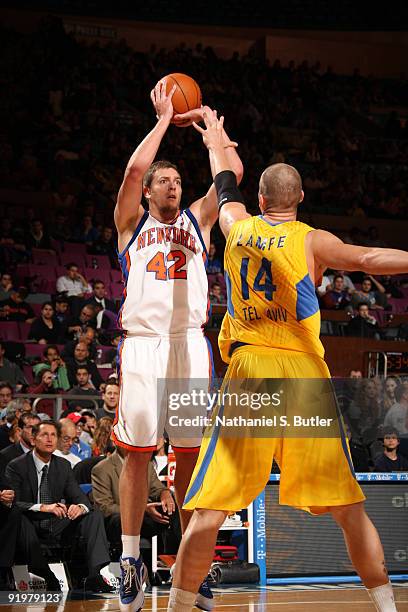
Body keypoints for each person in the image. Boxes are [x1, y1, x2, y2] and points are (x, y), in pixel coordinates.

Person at [167, 111, 408, 612]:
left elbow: (224, 184)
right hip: (301, 373)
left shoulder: (236, 225)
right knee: (348, 507)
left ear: (260, 201)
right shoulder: (312, 239)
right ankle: (387, 607)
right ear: (299, 199)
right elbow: (368, 260)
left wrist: (214, 140)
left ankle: (175, 607)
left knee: (209, 510)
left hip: (251, 370)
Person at [113, 82, 242, 612]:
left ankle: (190, 563)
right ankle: (129, 561)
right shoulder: (131, 224)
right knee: (138, 455)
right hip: (142, 346)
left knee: (189, 459)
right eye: (164, 180)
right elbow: (131, 172)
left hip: (191, 345)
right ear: (150, 193)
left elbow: (230, 180)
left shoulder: (198, 219)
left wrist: (214, 131)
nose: (172, 185)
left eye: (177, 180)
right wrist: (165, 120)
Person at [5, 420, 114, 593]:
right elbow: (12, 503)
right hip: (30, 523)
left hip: (56, 523)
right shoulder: (17, 466)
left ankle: (94, 575)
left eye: (53, 435)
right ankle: (47, 575)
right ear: (33, 440)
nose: (49, 439)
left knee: (93, 515)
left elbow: (80, 498)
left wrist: (79, 507)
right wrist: (42, 507)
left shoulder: (62, 465)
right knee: (18, 518)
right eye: (44, 435)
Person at [91, 446, 178, 559]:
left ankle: (181, 560)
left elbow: (157, 488)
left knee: (174, 506)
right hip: (119, 519)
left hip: (146, 516)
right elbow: (105, 508)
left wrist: (165, 494)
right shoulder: (102, 469)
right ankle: (129, 560)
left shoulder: (146, 464)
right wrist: (142, 510)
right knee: (117, 520)